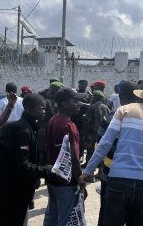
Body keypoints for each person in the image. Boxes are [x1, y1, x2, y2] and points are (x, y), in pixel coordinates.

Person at [80, 79, 143, 226]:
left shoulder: (124, 111)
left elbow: (104, 145)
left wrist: (86, 172)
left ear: (142, 95)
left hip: (118, 179)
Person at [0, 94, 53, 226]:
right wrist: (46, 171)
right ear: (28, 109)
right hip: (5, 191)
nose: (44, 112)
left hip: (9, 187)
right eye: (41, 109)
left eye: (45, 109)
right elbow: (22, 166)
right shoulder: (22, 129)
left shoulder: (27, 127)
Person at [96, 80, 139, 226]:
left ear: (120, 97)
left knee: (107, 215)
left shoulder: (110, 117)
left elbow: (99, 146)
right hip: (138, 178)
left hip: (110, 174)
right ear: (138, 97)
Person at [44, 88, 84, 226]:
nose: (79, 103)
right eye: (75, 101)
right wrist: (80, 177)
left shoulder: (53, 120)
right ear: (65, 104)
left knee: (52, 216)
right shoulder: (69, 125)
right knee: (65, 219)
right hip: (66, 182)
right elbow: (73, 155)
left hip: (53, 179)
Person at [81, 90, 109, 177]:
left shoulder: (92, 108)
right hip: (102, 135)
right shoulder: (106, 108)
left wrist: (84, 135)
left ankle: (90, 175)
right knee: (101, 154)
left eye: (93, 97)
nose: (91, 98)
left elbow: (87, 123)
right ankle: (100, 173)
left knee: (90, 154)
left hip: (92, 135)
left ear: (96, 98)